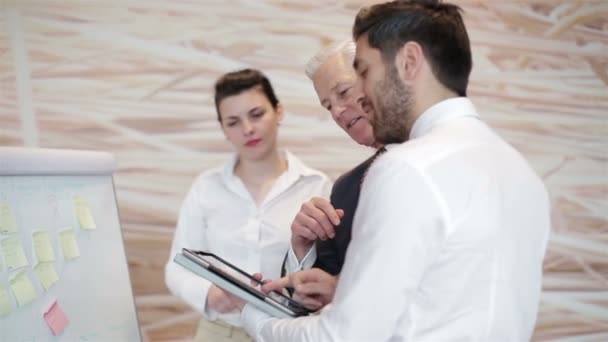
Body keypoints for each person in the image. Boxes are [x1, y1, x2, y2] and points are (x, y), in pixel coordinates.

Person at [239, 1, 551, 341]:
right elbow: (444, 294)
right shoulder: (523, 175)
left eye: (364, 73)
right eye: (329, 105)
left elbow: (345, 336)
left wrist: (256, 317)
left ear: (409, 62)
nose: (359, 99)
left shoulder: (406, 169)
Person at [164, 68, 332, 341]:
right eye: (233, 122)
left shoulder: (315, 186)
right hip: (221, 332)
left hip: (287, 331)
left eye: (257, 114)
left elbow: (328, 269)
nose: (248, 129)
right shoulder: (206, 187)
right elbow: (176, 267)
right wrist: (211, 296)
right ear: (223, 130)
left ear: (278, 112)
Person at [280, 40, 383, 310]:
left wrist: (344, 292)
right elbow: (316, 291)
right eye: (328, 106)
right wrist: (301, 248)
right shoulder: (345, 188)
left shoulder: (442, 164)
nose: (337, 112)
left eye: (344, 92)